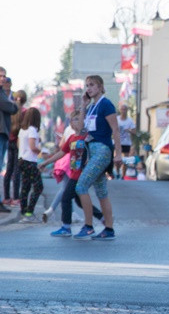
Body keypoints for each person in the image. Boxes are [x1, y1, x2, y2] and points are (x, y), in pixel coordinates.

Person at [38, 109, 103, 237]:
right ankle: (101, 218)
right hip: (73, 173)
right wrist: (46, 163)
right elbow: (61, 153)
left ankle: (66, 227)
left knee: (66, 198)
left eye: (79, 119)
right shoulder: (72, 138)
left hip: (81, 175)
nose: (76, 122)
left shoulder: (87, 137)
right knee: (79, 201)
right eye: (74, 119)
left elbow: (95, 151)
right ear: (71, 124)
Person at [75, 75, 122, 240]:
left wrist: (118, 154)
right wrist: (83, 105)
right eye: (87, 85)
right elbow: (80, 129)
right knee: (101, 191)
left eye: (92, 85)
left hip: (102, 149)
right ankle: (109, 229)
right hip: (91, 149)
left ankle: (88, 226)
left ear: (101, 87)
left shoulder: (106, 104)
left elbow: (115, 130)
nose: (89, 88)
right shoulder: (91, 106)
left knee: (81, 186)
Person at [16, 107, 43, 222]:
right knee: (38, 187)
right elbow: (32, 147)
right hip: (30, 161)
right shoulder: (32, 129)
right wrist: (40, 151)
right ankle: (29, 212)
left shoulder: (22, 130)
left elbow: (19, 144)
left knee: (25, 187)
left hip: (21, 160)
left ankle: (23, 212)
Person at [4, 87, 26, 208]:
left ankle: (7, 197)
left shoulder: (11, 110)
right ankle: (16, 197)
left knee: (9, 169)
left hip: (9, 141)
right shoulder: (24, 112)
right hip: (19, 142)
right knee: (17, 171)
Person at [0, 67, 15, 212]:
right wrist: (14, 105)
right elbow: (9, 106)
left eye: (4, 76)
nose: (3, 79)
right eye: (0, 76)